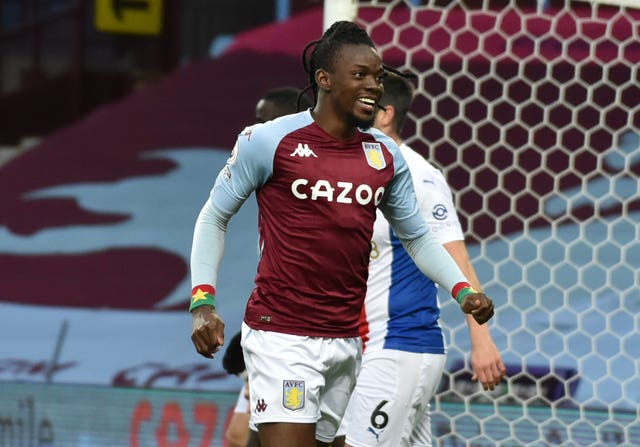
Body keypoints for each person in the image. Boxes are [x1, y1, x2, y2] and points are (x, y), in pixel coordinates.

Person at [189, 20, 495, 447]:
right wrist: (203, 300)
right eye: (361, 75)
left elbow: (419, 238)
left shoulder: (385, 155)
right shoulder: (269, 140)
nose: (374, 84)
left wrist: (462, 291)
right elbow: (213, 217)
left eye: (378, 75)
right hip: (282, 334)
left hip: (346, 342)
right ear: (324, 79)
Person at [337, 73, 506, 447]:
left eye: (365, 101)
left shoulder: (419, 176)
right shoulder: (353, 170)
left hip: (399, 345)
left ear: (385, 115)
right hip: (368, 348)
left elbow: (455, 256)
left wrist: (482, 342)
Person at [224, 86, 315, 447]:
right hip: (272, 331)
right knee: (242, 437)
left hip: (309, 338)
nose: (251, 129)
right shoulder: (268, 178)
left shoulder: (321, 181)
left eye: (261, 120)